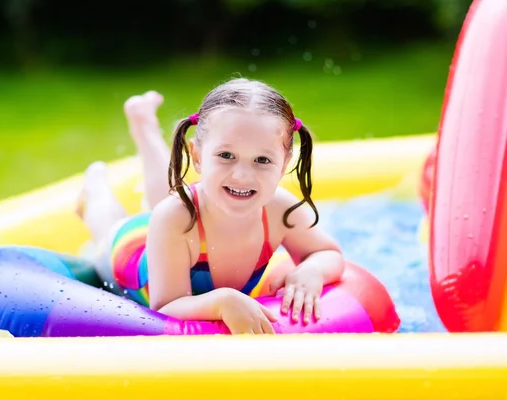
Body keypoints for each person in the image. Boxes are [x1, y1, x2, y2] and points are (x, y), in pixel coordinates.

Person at [77, 78, 345, 334]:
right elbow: (165, 307)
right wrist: (222, 301)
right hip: (131, 255)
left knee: (170, 200)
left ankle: (144, 123)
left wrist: (312, 269)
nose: (242, 175)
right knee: (113, 226)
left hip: (179, 226)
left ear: (284, 164)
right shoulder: (173, 217)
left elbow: (328, 253)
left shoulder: (280, 210)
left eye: (262, 160)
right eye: (226, 156)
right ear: (196, 156)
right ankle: (95, 190)